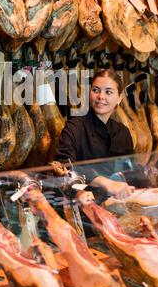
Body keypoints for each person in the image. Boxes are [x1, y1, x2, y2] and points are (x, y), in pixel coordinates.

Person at [56, 68, 135, 199]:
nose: (101, 97)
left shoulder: (123, 132)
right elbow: (65, 167)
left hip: (117, 202)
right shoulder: (74, 127)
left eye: (108, 92)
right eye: (95, 90)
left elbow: (129, 171)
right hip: (83, 202)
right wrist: (106, 183)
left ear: (119, 98)